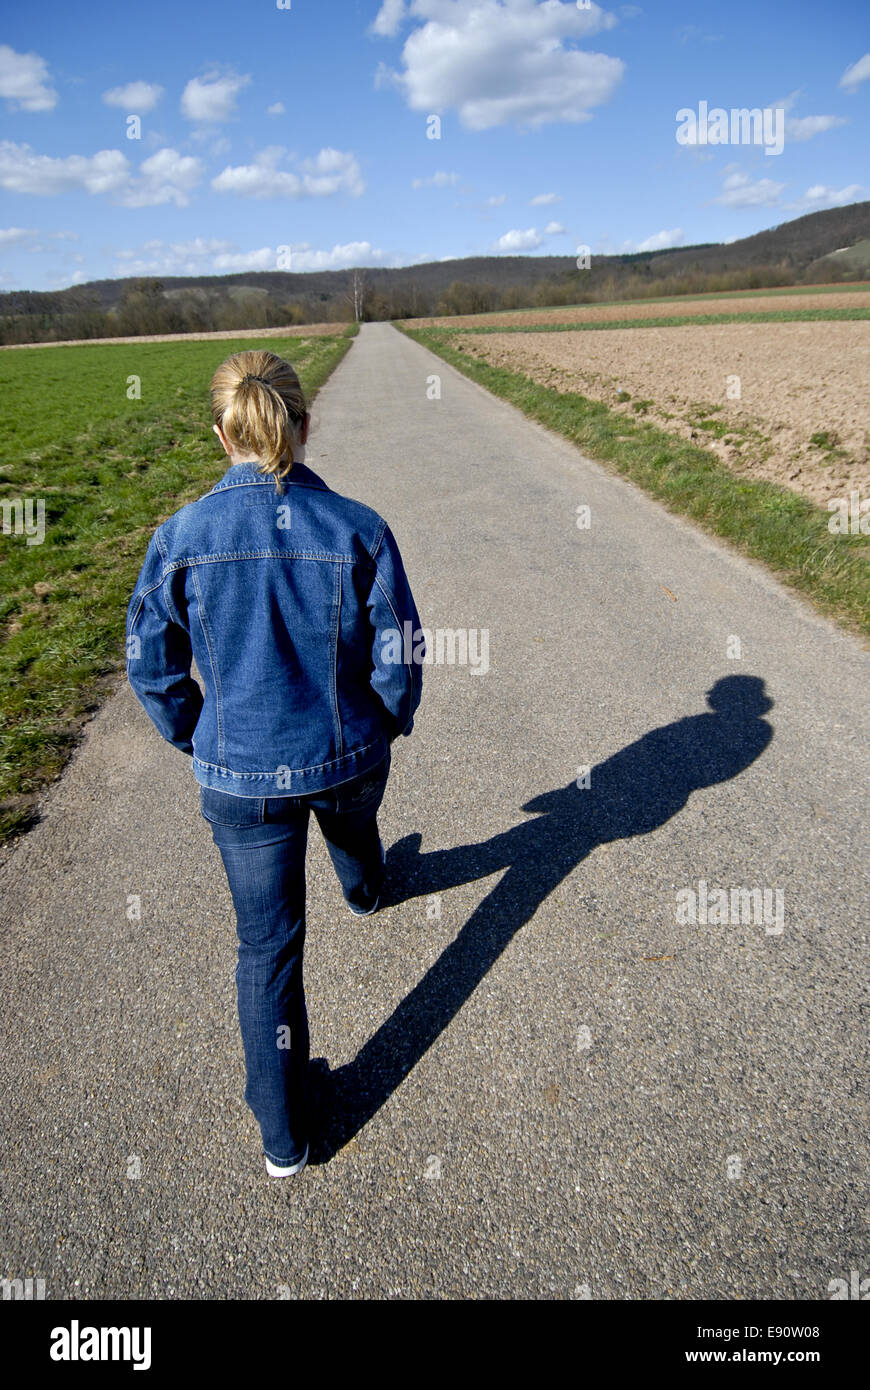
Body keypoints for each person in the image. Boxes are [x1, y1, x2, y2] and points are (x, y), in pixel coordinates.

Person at [126, 349, 423, 1178]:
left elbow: (150, 665)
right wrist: (388, 721)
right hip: (344, 753)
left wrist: (198, 734)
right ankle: (366, 890)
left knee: (267, 950)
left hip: (239, 776)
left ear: (221, 432)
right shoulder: (359, 527)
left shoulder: (178, 539)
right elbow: (400, 652)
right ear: (303, 422)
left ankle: (284, 1139)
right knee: (355, 818)